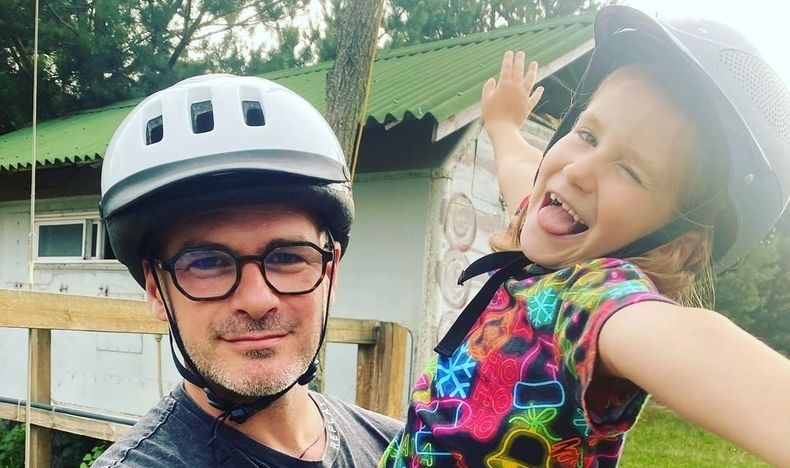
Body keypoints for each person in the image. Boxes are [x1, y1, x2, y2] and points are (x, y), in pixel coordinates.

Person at [380, 5, 790, 467]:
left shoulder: (595, 300)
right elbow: (519, 168)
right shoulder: (545, 235)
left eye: (630, 171)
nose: (578, 170)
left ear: (677, 243)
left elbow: (690, 339)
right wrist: (503, 123)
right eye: (589, 136)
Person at [92, 74, 402, 467]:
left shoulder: (399, 448)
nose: (257, 301)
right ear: (156, 289)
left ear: (331, 273)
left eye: (287, 257)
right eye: (207, 262)